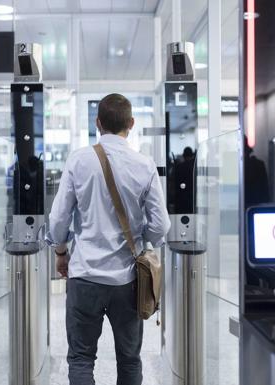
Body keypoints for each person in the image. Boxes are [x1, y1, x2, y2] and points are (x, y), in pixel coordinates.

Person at [46, 93, 171, 385]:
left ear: (98, 123)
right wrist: (143, 244)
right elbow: (161, 224)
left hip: (85, 275)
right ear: (131, 123)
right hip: (128, 280)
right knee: (129, 359)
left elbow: (59, 218)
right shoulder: (144, 165)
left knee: (80, 358)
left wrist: (61, 252)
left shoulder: (79, 160)